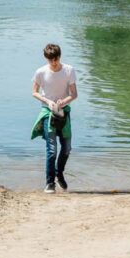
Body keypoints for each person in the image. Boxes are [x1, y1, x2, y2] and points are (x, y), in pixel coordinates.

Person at [30, 43, 78, 193]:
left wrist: (64, 101)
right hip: (48, 112)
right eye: (51, 60)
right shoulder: (40, 72)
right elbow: (35, 92)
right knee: (51, 150)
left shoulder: (69, 70)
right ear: (46, 58)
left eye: (56, 59)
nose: (54, 62)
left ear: (60, 56)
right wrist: (47, 101)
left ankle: (59, 173)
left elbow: (74, 94)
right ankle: (49, 183)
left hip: (64, 112)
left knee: (67, 148)